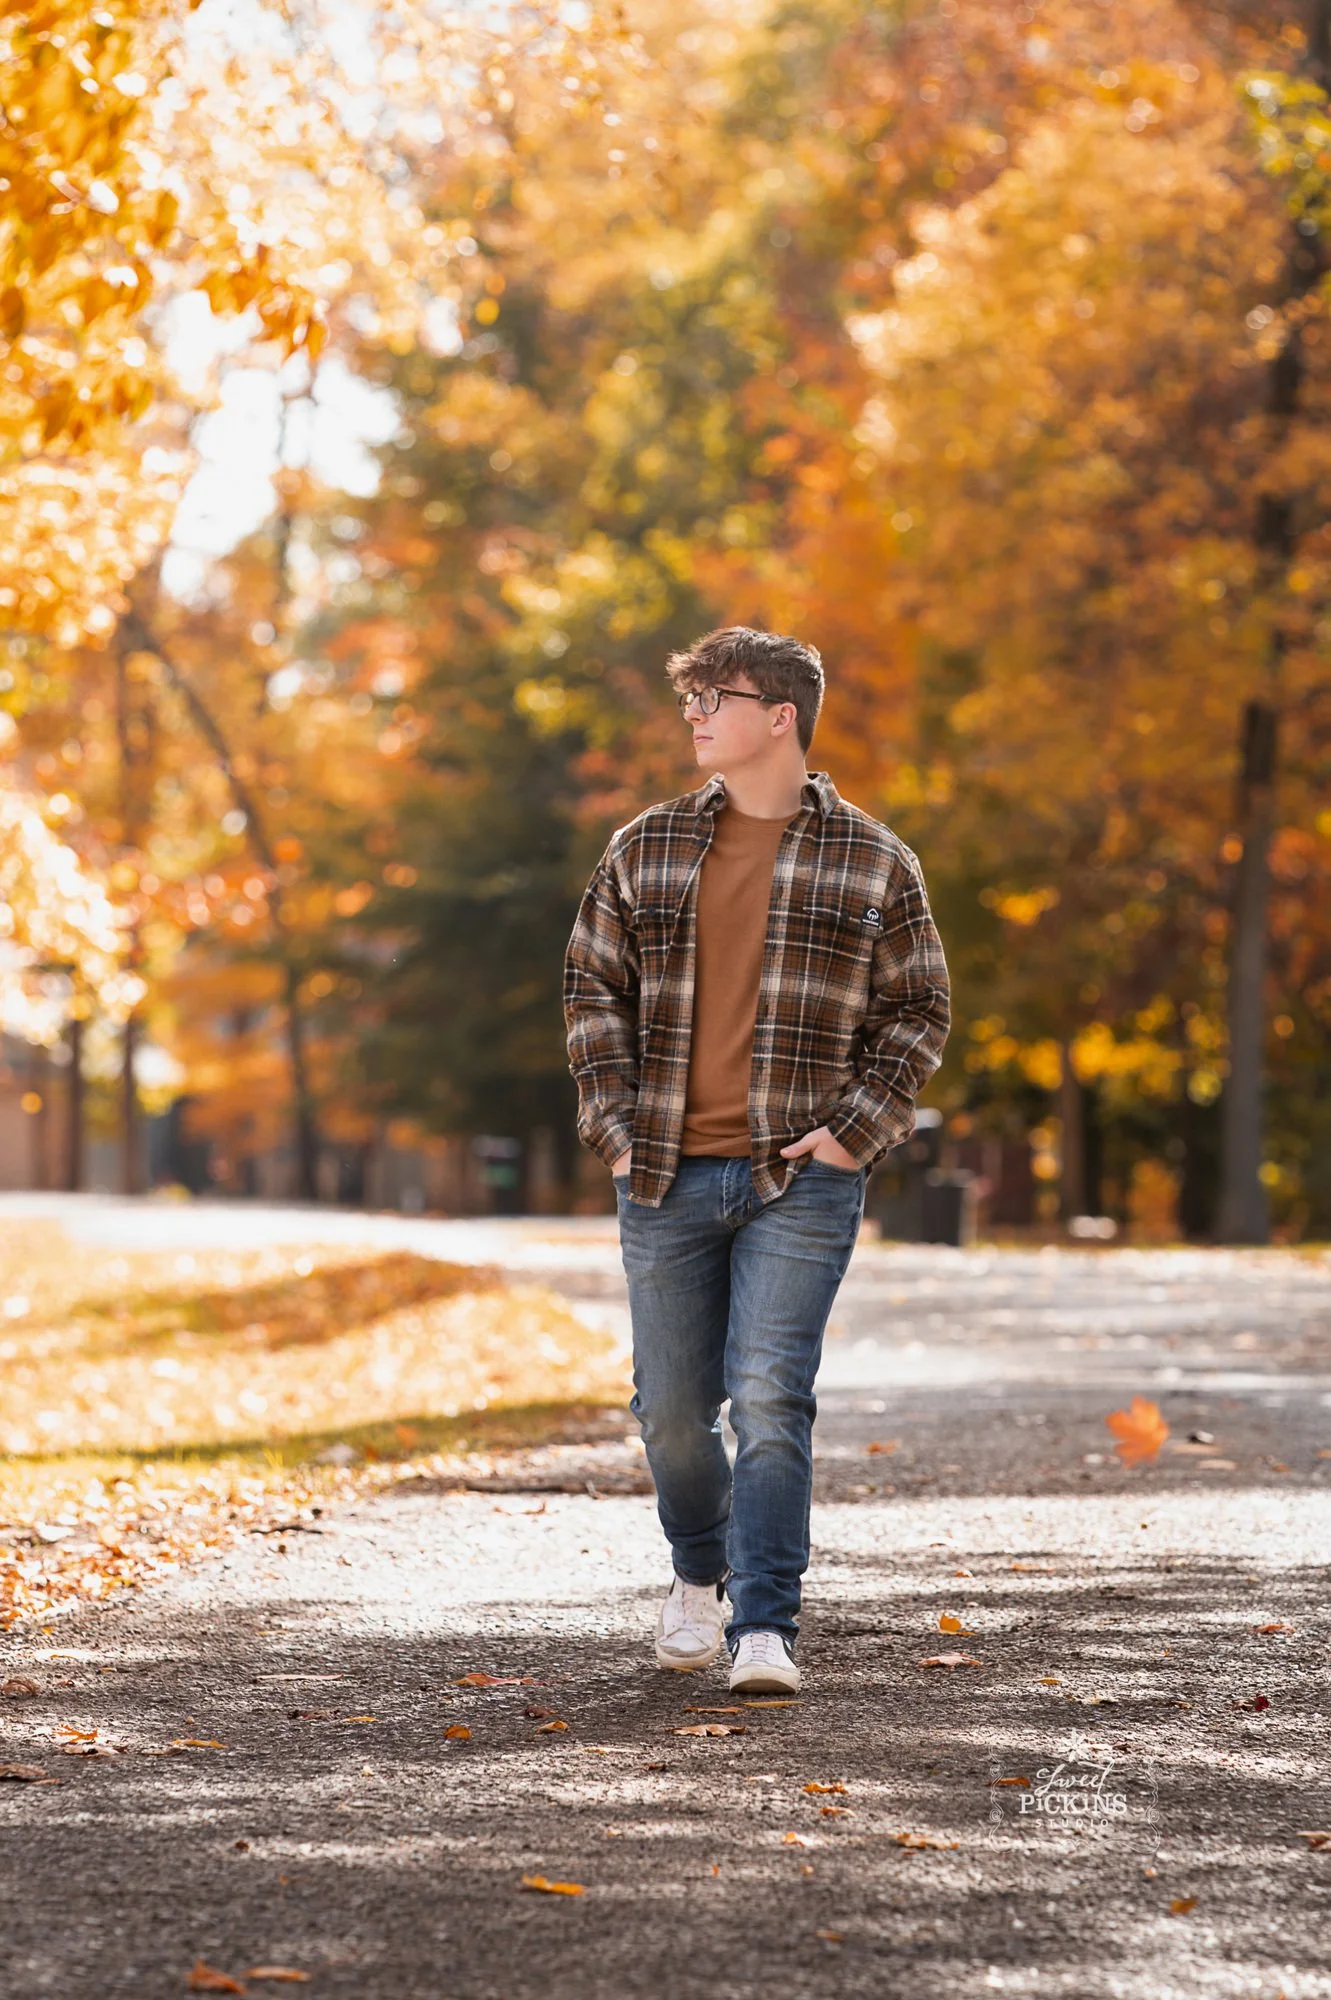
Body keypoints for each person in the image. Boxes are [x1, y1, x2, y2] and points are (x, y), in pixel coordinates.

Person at [562, 626, 950, 1694]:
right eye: (689, 699)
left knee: (771, 1397)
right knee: (671, 1411)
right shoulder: (645, 846)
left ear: (780, 716)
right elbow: (590, 989)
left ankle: (765, 1623)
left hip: (801, 1177)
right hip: (663, 1171)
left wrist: (855, 1131)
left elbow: (918, 1009)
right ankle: (699, 1573)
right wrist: (615, 1128)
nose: (693, 715)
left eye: (713, 698)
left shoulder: (873, 858)